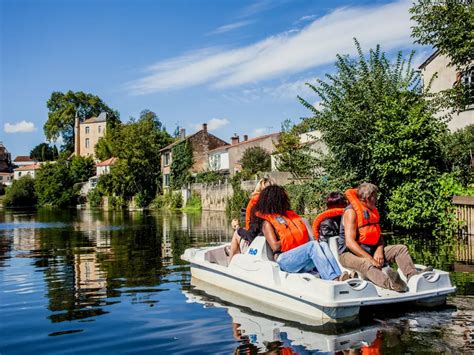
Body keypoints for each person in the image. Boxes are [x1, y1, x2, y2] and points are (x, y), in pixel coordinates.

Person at [338, 182, 430, 292]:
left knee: (400, 249)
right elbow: (350, 243)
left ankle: (414, 276)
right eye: (375, 196)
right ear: (368, 198)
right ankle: (392, 284)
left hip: (371, 251)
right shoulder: (351, 212)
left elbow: (378, 236)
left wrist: (379, 250)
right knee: (366, 263)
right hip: (348, 254)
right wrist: (370, 258)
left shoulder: (371, 211)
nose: (377, 200)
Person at [257, 185, 348, 281]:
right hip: (283, 260)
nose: (286, 200)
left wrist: (297, 237)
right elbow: (275, 246)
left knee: (323, 245)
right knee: (312, 245)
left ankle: (339, 276)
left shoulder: (289, 217)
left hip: (298, 257)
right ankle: (332, 279)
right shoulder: (267, 223)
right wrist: (291, 238)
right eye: (283, 198)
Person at [229, 177, 275, 259]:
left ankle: (230, 266)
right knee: (242, 230)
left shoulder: (256, 209)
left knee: (237, 233)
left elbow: (250, 236)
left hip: (258, 248)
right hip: (272, 247)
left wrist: (237, 227)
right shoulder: (277, 206)